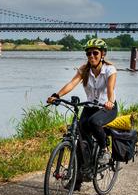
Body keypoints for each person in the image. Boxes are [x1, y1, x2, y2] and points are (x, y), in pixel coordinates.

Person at [47, 38, 118, 168]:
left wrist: (110, 101)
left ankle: (104, 150)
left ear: (103, 54)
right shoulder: (84, 70)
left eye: (95, 53)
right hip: (89, 107)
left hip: (107, 108)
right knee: (80, 138)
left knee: (94, 122)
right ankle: (80, 175)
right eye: (88, 53)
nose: (91, 56)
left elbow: (110, 89)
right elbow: (72, 83)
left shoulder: (109, 70)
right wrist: (57, 95)